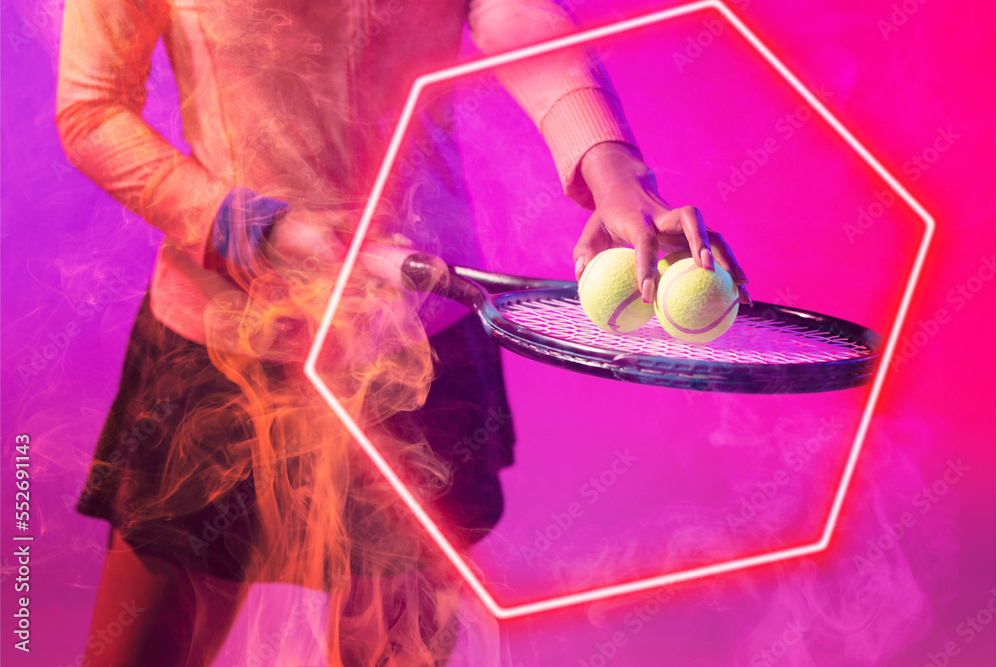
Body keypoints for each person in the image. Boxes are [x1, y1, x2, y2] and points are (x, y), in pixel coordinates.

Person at [55, 0, 750, 664]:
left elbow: (514, 8)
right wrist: (241, 225)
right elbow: (90, 107)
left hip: (418, 345)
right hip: (218, 340)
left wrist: (609, 164)